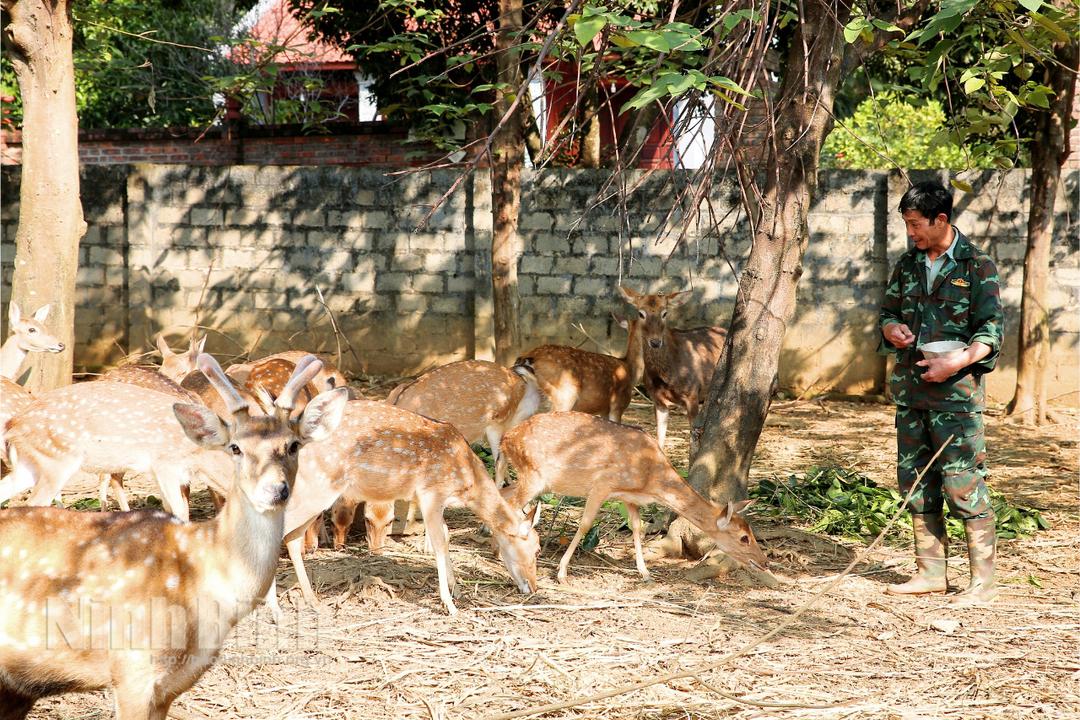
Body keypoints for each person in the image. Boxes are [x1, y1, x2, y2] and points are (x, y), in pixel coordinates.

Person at [878, 179, 1004, 605]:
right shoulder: (907, 264)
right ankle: (931, 572)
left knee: (962, 483)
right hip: (911, 393)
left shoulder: (977, 266)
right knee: (915, 481)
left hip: (956, 398)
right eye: (906, 225)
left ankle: (982, 582)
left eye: (916, 224)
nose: (911, 233)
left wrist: (960, 359)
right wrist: (890, 329)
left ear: (941, 219)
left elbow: (991, 330)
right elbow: (888, 311)